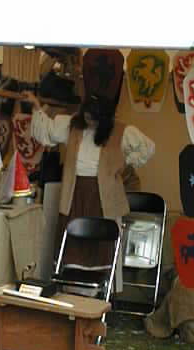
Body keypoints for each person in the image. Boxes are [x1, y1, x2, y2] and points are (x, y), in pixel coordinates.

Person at [23, 90, 155, 270]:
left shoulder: (121, 131)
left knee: (102, 241)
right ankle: (70, 278)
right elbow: (48, 131)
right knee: (72, 242)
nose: (89, 121)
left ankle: (100, 280)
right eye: (86, 116)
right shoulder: (72, 126)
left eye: (93, 117)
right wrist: (36, 106)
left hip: (104, 195)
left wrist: (124, 161)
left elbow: (147, 148)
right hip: (74, 191)